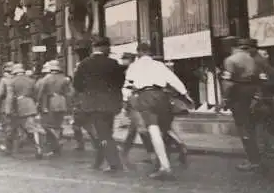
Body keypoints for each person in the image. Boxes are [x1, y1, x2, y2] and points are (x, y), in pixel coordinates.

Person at [125, 43, 190, 179]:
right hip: (161, 96)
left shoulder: (134, 66)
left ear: (139, 53)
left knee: (153, 130)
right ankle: (177, 147)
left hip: (145, 96)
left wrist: (127, 100)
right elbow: (173, 80)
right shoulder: (159, 65)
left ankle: (165, 166)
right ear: (150, 52)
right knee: (164, 128)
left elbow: (128, 86)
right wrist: (185, 94)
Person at [73, 36, 124, 173]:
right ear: (104, 47)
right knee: (107, 132)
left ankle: (114, 164)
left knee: (103, 134)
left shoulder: (84, 64)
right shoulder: (113, 63)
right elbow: (120, 83)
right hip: (111, 104)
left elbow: (77, 85)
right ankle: (100, 161)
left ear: (94, 48)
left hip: (93, 104)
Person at [221, 38, 262, 172]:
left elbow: (228, 83)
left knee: (243, 127)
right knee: (250, 126)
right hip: (252, 92)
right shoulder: (252, 59)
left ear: (228, 47)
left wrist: (225, 99)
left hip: (238, 94)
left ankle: (253, 160)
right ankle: (256, 157)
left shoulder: (230, 60)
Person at [7, 63, 45, 159]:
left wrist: (8, 109)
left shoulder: (12, 81)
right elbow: (36, 94)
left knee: (11, 128)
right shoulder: (31, 80)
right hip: (30, 105)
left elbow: (10, 97)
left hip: (17, 106)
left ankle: (8, 149)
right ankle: (38, 147)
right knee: (32, 128)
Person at [36, 60, 71, 156]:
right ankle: (57, 142)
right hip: (62, 102)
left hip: (51, 102)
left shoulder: (46, 79)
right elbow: (68, 92)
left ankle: (55, 144)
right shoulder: (65, 79)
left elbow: (41, 92)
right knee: (57, 124)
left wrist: (38, 102)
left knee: (47, 125)